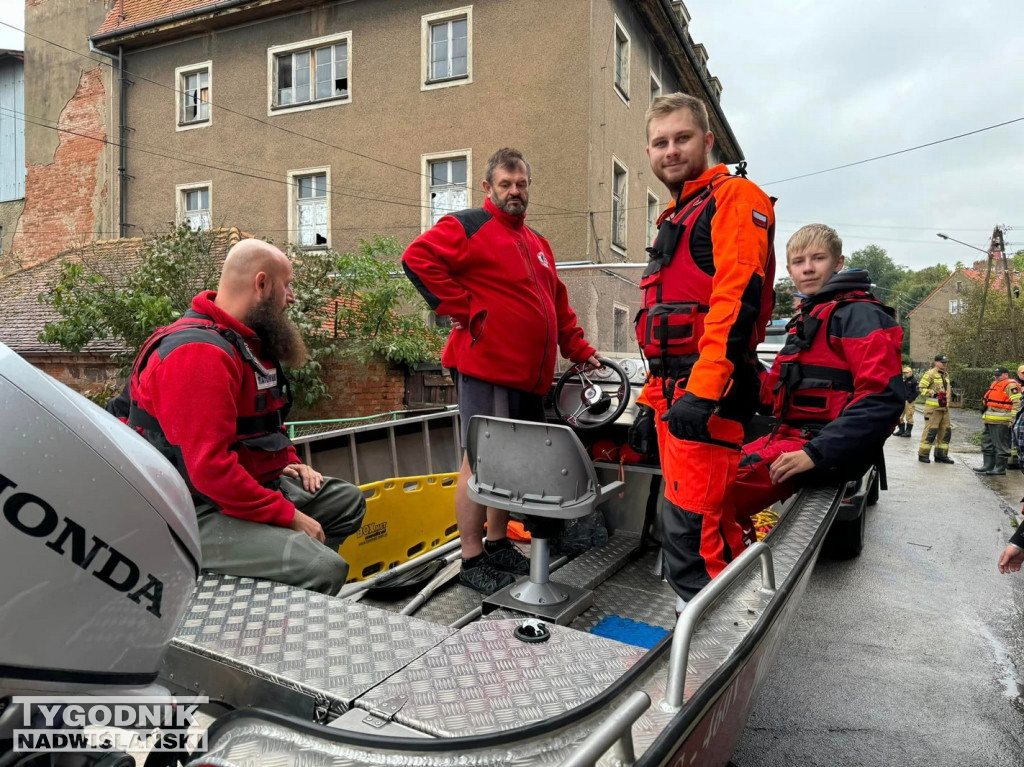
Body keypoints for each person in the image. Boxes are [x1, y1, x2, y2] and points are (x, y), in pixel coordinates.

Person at [402, 147, 599, 595]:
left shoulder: (538, 244)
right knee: (479, 463)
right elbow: (417, 259)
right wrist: (467, 309)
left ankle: (496, 542)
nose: (515, 191)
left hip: (530, 377)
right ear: (488, 187)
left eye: (522, 184)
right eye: (506, 184)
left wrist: (581, 350)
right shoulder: (468, 226)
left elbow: (558, 308)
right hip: (486, 368)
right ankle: (470, 559)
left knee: (510, 464)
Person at [119, 238, 366, 595]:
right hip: (186, 511)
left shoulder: (244, 344)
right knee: (322, 566)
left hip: (230, 493)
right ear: (262, 284)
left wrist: (287, 460)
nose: (291, 298)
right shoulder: (198, 354)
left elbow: (263, 421)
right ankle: (280, 603)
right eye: (287, 285)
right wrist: (288, 517)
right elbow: (209, 470)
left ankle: (279, 572)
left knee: (345, 502)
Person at [633, 93, 776, 614]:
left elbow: (734, 302)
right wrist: (652, 405)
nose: (670, 151)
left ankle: (721, 644)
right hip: (678, 395)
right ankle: (711, 624)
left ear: (708, 141)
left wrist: (704, 392)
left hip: (705, 396)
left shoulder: (734, 198)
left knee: (694, 535)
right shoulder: (678, 214)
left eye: (682, 139)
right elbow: (662, 333)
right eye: (660, 142)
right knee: (687, 525)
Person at [728, 224, 904, 540]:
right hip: (790, 438)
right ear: (790, 270)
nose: (807, 268)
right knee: (705, 476)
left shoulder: (858, 315)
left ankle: (732, 579)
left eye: (818, 258)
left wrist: (814, 453)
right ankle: (740, 559)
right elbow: (771, 398)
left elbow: (882, 397)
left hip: (818, 448)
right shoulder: (810, 319)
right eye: (798, 262)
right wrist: (742, 357)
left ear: (838, 262)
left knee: (713, 497)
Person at [973, 367, 1022, 476]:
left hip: (1002, 421)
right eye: (995, 375)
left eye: (998, 375)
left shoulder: (1011, 385)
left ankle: (999, 468)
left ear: (1006, 375)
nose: (996, 377)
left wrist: (1013, 418)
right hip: (990, 420)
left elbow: (1017, 403)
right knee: (987, 442)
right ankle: (988, 466)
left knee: (1001, 445)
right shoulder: (995, 384)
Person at [918, 354, 954, 464]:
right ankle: (923, 454)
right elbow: (921, 388)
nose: (945, 364)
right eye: (942, 362)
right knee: (930, 431)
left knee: (945, 431)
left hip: (944, 409)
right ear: (936, 363)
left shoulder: (946, 375)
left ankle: (941, 456)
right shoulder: (930, 374)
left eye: (946, 362)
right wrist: (933, 394)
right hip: (933, 409)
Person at [896, 366, 919, 438]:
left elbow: (917, 392)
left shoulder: (914, 381)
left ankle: (908, 432)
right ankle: (901, 430)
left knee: (909, 416)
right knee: (899, 416)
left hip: (909, 401)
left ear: (911, 373)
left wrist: (911, 399)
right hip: (902, 400)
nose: (905, 374)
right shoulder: (904, 380)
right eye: (904, 373)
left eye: (907, 373)